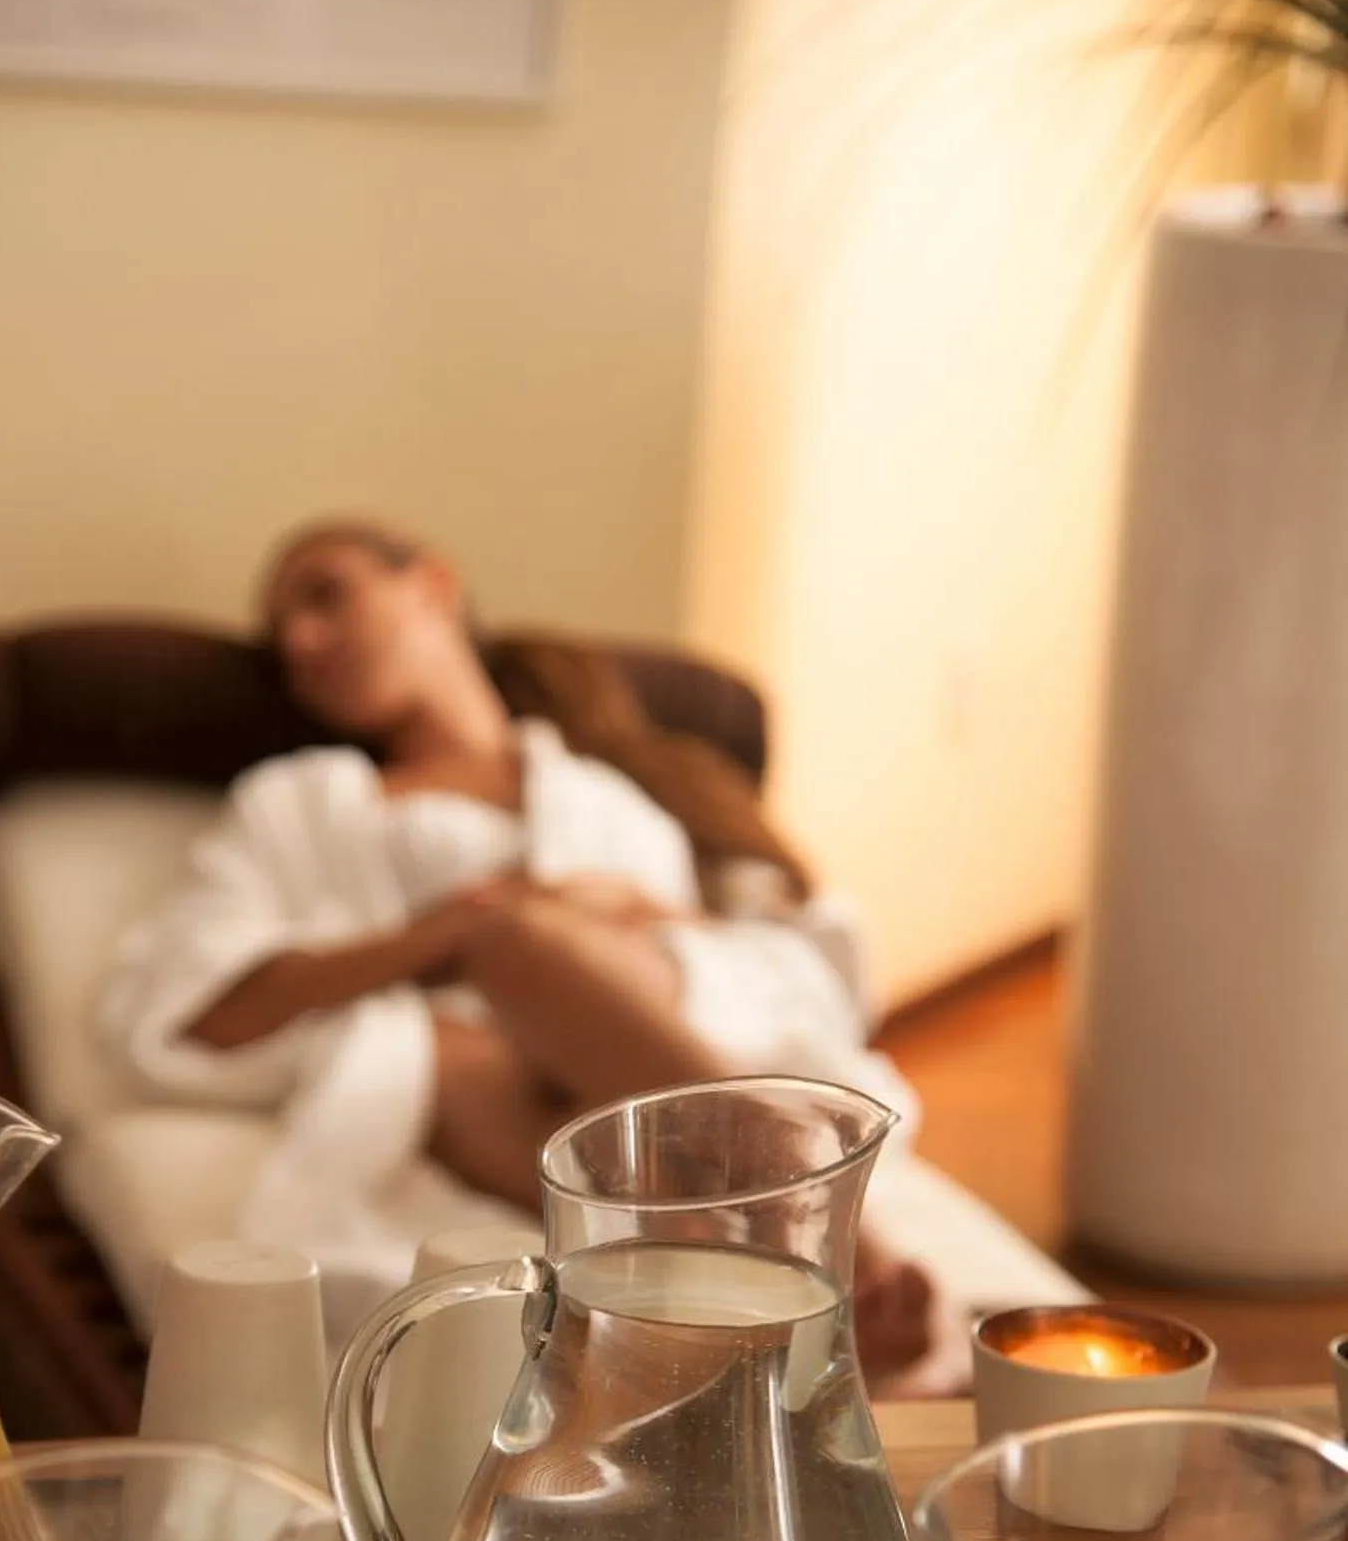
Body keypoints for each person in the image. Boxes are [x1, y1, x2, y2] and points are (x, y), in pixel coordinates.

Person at [98, 518, 945, 1381]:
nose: (304, 642)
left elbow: (779, 956)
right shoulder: (299, 800)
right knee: (442, 1039)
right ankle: (763, 1285)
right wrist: (442, 935)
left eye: (324, 595)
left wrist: (611, 918)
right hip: (476, 1074)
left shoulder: (617, 795)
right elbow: (197, 1004)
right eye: (284, 641)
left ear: (431, 586)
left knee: (519, 944)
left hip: (636, 1030)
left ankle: (796, 1197)